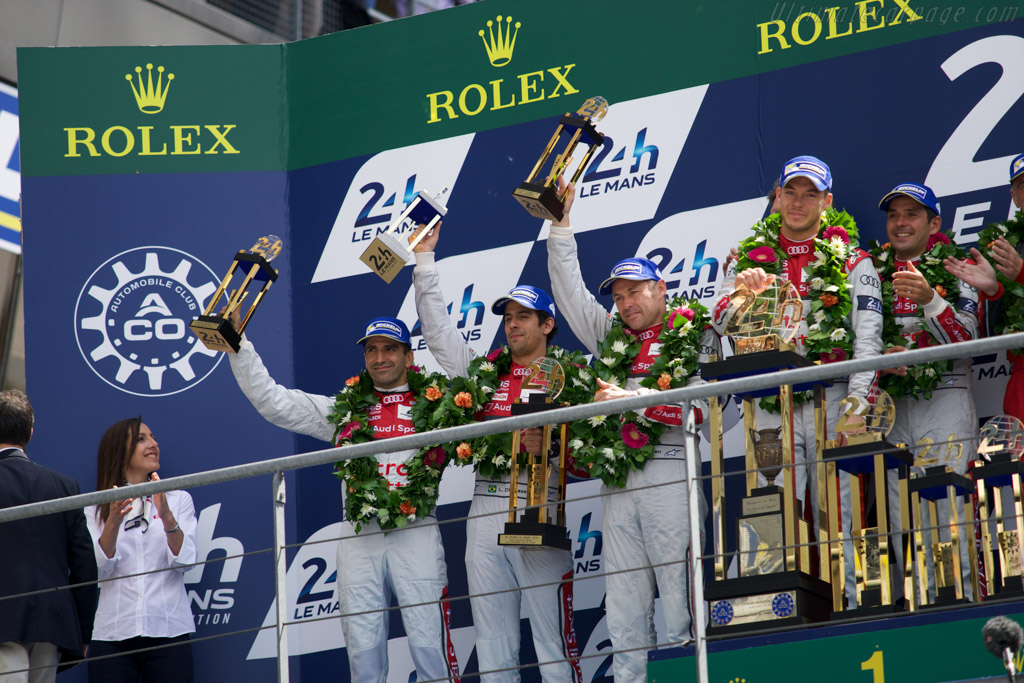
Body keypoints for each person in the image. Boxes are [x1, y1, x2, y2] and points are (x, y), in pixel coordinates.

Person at [546, 181, 717, 683]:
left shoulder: (694, 333)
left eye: (635, 292)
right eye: (618, 296)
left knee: (681, 598)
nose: (625, 303)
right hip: (618, 483)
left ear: (661, 289)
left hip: (670, 473)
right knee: (622, 606)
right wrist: (560, 227)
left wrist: (632, 401)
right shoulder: (612, 339)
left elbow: (704, 409)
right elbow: (571, 297)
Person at [227, 316, 460, 683]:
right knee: (363, 653)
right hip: (359, 537)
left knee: (429, 646)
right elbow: (275, 403)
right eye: (371, 350)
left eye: (389, 349)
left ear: (408, 356)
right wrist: (240, 348)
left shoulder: (438, 407)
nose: (379, 357)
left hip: (417, 531)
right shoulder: (345, 410)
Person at [411, 222, 582, 683]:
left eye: (523, 316)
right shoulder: (483, 374)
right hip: (485, 504)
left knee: (551, 639)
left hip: (540, 501)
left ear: (547, 324)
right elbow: (439, 334)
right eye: (507, 317)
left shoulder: (572, 376)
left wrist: (550, 445)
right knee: (492, 640)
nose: (513, 324)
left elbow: (588, 454)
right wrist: (424, 262)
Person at [711, 156, 883, 606]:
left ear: (827, 201)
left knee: (840, 517)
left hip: (833, 401)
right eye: (791, 192)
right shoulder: (744, 259)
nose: (799, 202)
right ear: (777, 197)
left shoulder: (854, 259)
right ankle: (776, 612)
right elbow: (721, 325)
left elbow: (868, 340)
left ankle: (854, 608)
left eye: (811, 194)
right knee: (771, 512)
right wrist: (743, 296)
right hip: (770, 406)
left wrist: (858, 407)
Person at [872, 183, 979, 601]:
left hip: (944, 396)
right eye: (894, 214)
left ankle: (960, 607)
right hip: (893, 406)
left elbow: (970, 340)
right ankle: (920, 612)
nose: (901, 223)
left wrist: (932, 299)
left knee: (947, 511)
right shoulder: (871, 272)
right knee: (902, 520)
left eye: (912, 214)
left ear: (934, 223)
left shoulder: (955, 264)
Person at [85, 418, 197, 682]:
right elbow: (98, 569)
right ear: (118, 451)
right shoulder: (93, 508)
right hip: (112, 634)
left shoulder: (178, 499)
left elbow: (186, 561)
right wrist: (112, 521)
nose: (153, 444)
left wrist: (167, 517)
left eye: (153, 437)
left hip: (168, 629)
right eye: (141, 439)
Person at [0, 390, 97, 683]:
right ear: (30, 432)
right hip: (53, 623)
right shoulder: (63, 485)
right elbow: (84, 566)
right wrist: (82, 630)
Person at [944, 152, 1024, 421]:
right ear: (1014, 196)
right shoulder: (1009, 246)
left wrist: (1021, 273)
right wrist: (992, 291)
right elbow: (994, 334)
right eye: (1023, 185)